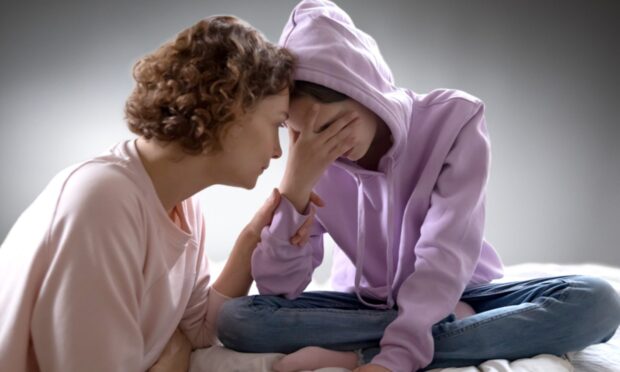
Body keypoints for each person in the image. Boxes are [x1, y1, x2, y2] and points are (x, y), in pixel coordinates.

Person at [216, 1, 620, 371]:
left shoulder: (456, 121)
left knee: (597, 303)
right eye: (300, 132)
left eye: (331, 126)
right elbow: (279, 289)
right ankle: (449, 329)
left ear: (366, 93)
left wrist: (394, 357)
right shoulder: (312, 158)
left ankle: (364, 348)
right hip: (368, 304)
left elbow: (443, 254)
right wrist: (294, 190)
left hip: (465, 291)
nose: (322, 146)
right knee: (238, 321)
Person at [0, 15, 313, 372]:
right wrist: (173, 363)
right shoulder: (103, 202)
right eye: (277, 124)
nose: (277, 150)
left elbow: (199, 331)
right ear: (232, 106)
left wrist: (251, 240)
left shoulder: (183, 205)